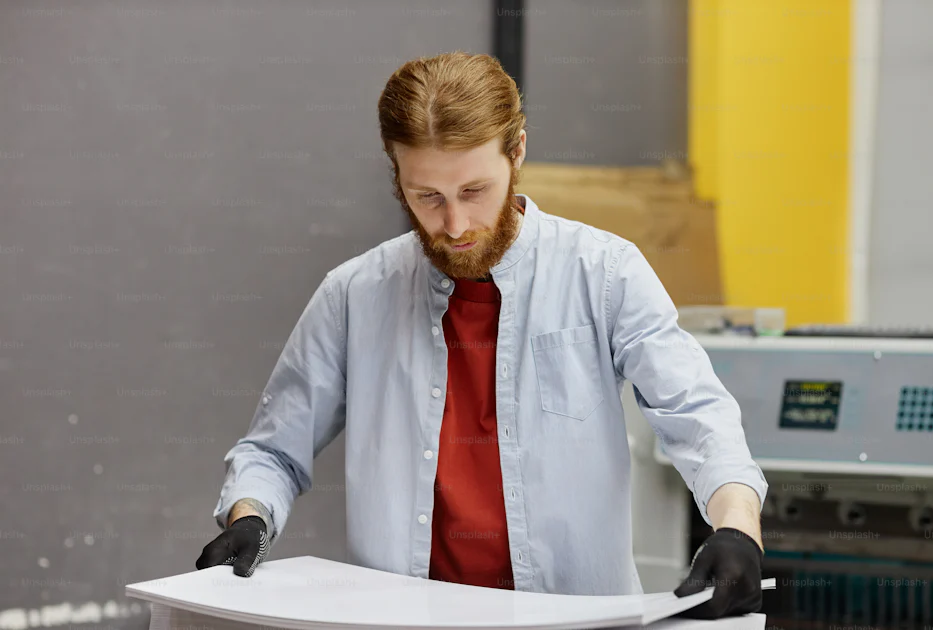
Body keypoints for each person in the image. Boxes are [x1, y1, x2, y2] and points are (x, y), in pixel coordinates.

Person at [194, 51, 768, 620]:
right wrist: (251, 516)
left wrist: (737, 527)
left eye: (474, 191)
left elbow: (695, 412)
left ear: (517, 150)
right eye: (428, 197)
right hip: (404, 618)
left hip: (574, 618)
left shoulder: (605, 274)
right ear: (397, 177)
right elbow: (273, 449)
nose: (455, 226)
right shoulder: (354, 295)